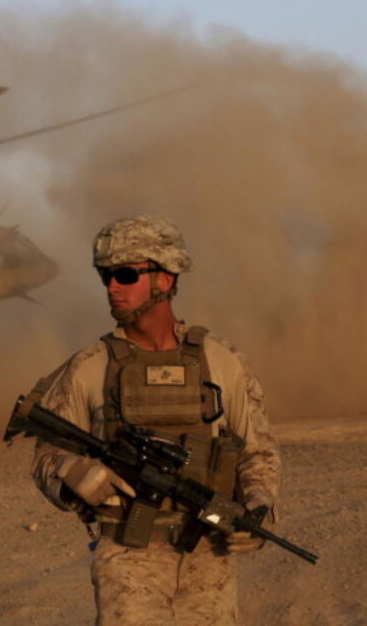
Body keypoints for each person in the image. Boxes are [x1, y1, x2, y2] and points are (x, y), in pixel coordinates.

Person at [28, 215, 279, 625]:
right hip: (128, 562)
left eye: (125, 274)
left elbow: (258, 451)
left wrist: (257, 505)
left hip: (209, 558)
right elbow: (45, 457)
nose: (112, 287)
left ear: (165, 279)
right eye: (105, 275)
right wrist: (71, 471)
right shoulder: (90, 368)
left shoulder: (221, 361)